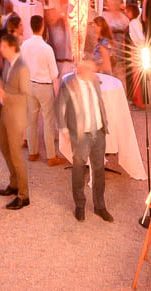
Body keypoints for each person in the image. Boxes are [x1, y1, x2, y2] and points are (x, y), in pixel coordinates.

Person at [56, 59, 113, 222]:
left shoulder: (94, 80)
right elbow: (59, 106)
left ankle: (100, 206)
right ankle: (79, 205)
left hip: (98, 131)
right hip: (80, 135)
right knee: (79, 169)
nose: (93, 72)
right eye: (89, 69)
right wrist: (64, 129)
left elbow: (99, 102)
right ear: (80, 69)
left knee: (99, 169)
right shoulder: (69, 83)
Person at [0, 33, 30, 209]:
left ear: (11, 47)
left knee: (16, 156)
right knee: (5, 150)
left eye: (3, 46)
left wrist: (4, 95)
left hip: (15, 118)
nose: (1, 49)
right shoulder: (8, 63)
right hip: (4, 115)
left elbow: (25, 97)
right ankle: (14, 184)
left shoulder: (22, 68)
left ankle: (24, 195)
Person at [20, 15, 64, 167]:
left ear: (31, 26)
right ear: (43, 27)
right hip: (44, 86)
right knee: (48, 121)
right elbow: (54, 73)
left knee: (31, 120)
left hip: (29, 84)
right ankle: (51, 156)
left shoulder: (24, 45)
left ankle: (33, 152)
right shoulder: (47, 48)